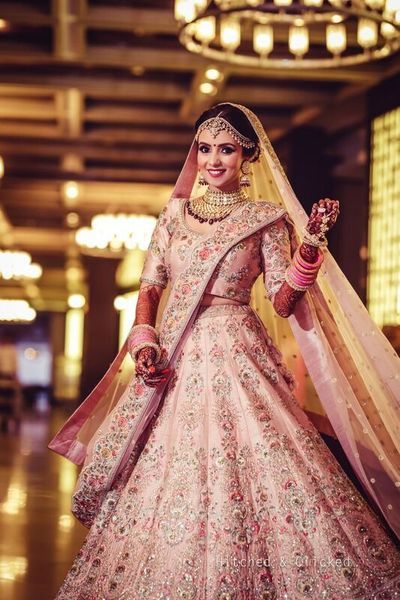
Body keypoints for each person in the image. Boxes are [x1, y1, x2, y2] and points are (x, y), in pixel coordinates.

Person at [50, 103, 400, 599]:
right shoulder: (173, 216)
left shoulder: (264, 218)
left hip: (239, 351)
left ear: (248, 155)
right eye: (206, 148)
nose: (214, 160)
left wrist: (310, 250)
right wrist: (145, 340)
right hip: (176, 358)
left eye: (227, 149)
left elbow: (281, 301)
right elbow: (150, 287)